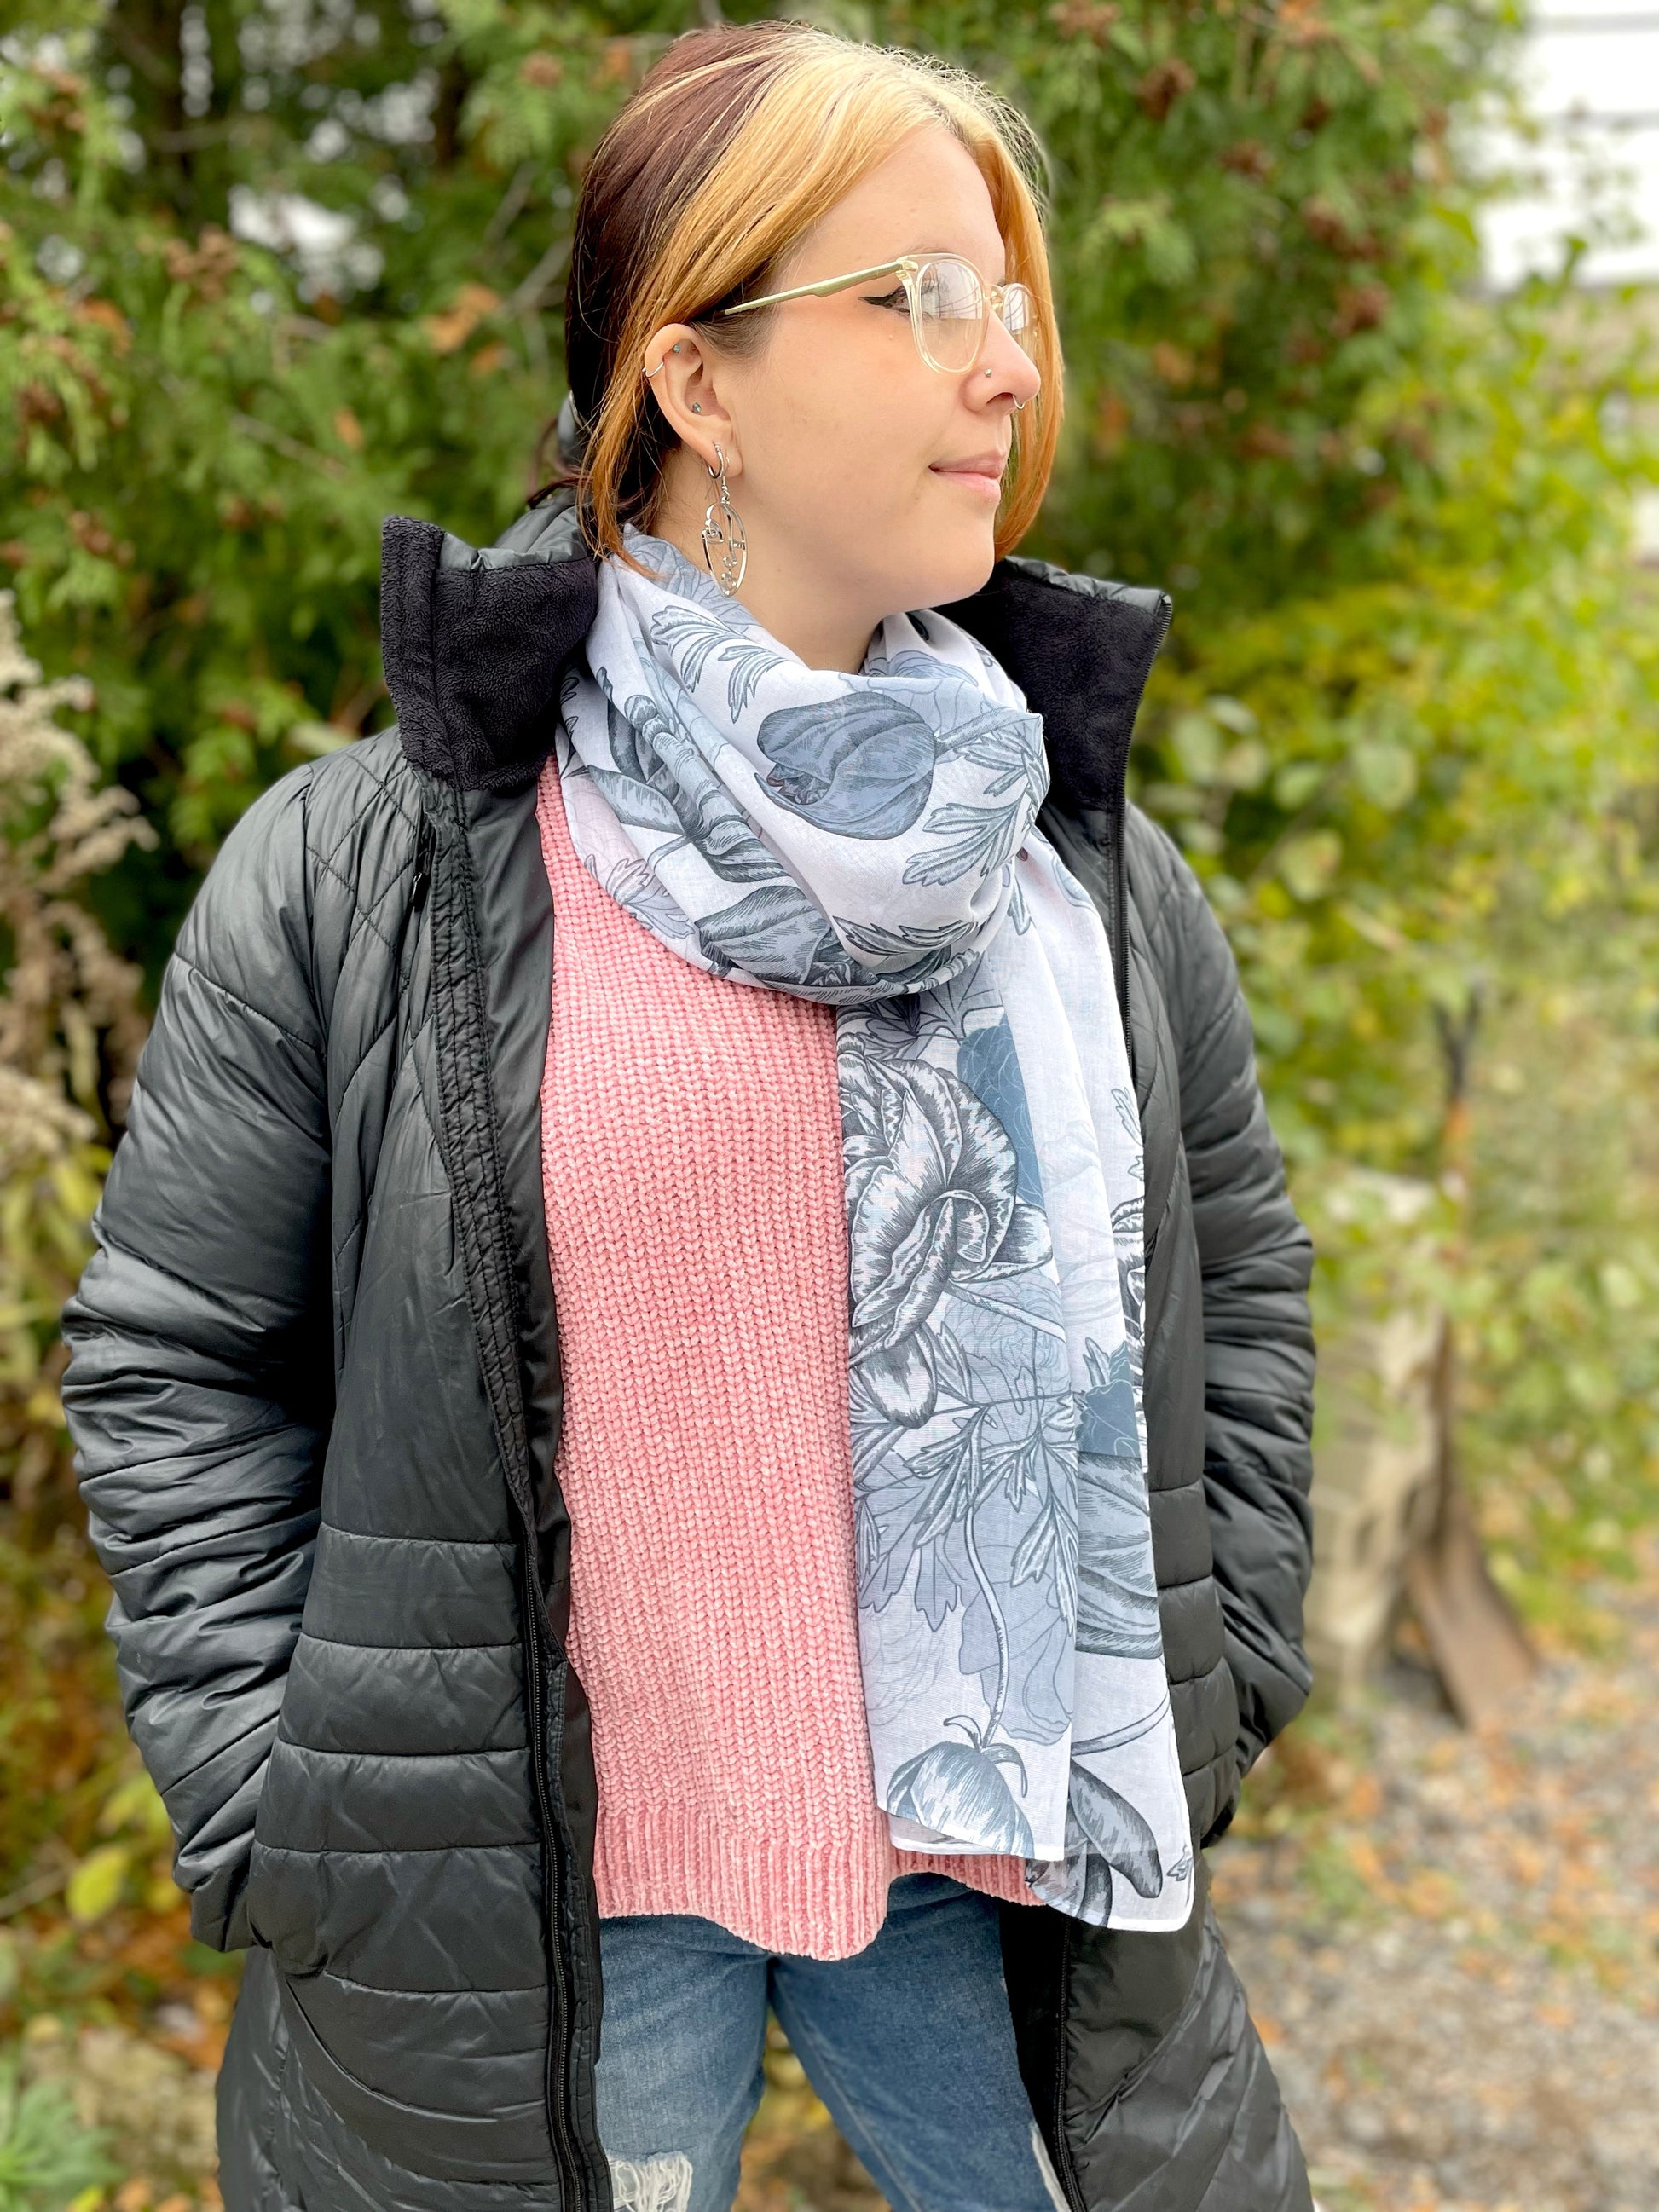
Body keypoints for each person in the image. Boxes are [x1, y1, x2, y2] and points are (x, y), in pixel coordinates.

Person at [61, 22, 1317, 2212]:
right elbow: (178, 1358)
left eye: (1004, 300)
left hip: (1003, 1862)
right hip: (557, 1901)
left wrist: (1223, 1681)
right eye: (914, 296)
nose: (1002, 366)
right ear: (695, 382)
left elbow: (1249, 1292)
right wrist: (293, 1797)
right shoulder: (373, 872)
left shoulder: (1073, 866)